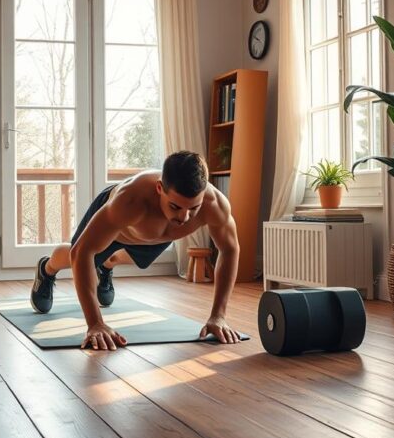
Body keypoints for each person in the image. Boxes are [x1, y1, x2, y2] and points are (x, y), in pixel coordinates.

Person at [30, 150, 242, 351]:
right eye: (176, 207)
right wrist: (95, 323)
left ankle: (107, 265)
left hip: (150, 238)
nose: (184, 218)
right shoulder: (129, 201)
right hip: (120, 227)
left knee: (110, 257)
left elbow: (230, 249)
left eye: (193, 209)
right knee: (74, 256)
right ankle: (46, 268)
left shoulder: (215, 205)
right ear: (160, 188)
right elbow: (81, 252)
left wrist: (218, 315)